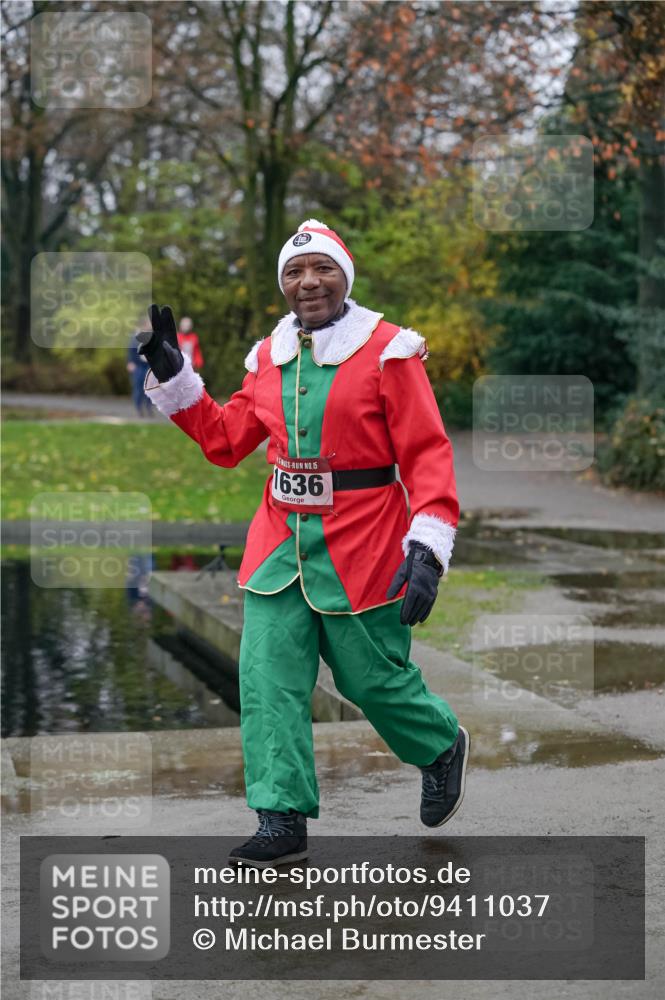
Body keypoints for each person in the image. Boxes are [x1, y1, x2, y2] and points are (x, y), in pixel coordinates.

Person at [138, 219, 469, 868]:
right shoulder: (269, 355)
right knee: (267, 680)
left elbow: (427, 453)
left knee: (371, 680)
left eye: (322, 269)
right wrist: (176, 377)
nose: (308, 281)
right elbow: (226, 440)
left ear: (345, 276)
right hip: (277, 546)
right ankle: (279, 816)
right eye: (294, 272)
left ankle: (439, 746)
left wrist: (427, 547)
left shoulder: (388, 350)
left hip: (364, 545)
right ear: (283, 285)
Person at [127, 318, 152, 417]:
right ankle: (138, 408)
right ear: (144, 325)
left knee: (150, 387)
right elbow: (130, 350)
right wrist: (130, 362)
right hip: (138, 365)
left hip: (148, 365)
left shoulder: (151, 337)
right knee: (138, 388)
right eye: (149, 324)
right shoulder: (135, 337)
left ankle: (149, 408)